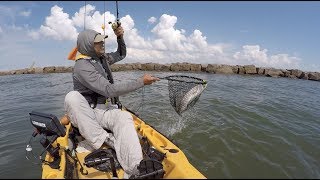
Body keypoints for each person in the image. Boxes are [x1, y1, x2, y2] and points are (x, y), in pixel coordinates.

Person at [64, 25, 159, 177]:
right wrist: (141, 81)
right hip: (89, 113)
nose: (102, 44)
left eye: (103, 41)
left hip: (106, 109)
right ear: (88, 45)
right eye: (98, 42)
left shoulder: (102, 58)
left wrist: (120, 37)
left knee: (124, 116)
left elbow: (121, 54)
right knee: (71, 97)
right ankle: (106, 140)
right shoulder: (82, 66)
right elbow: (109, 90)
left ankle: (136, 168)